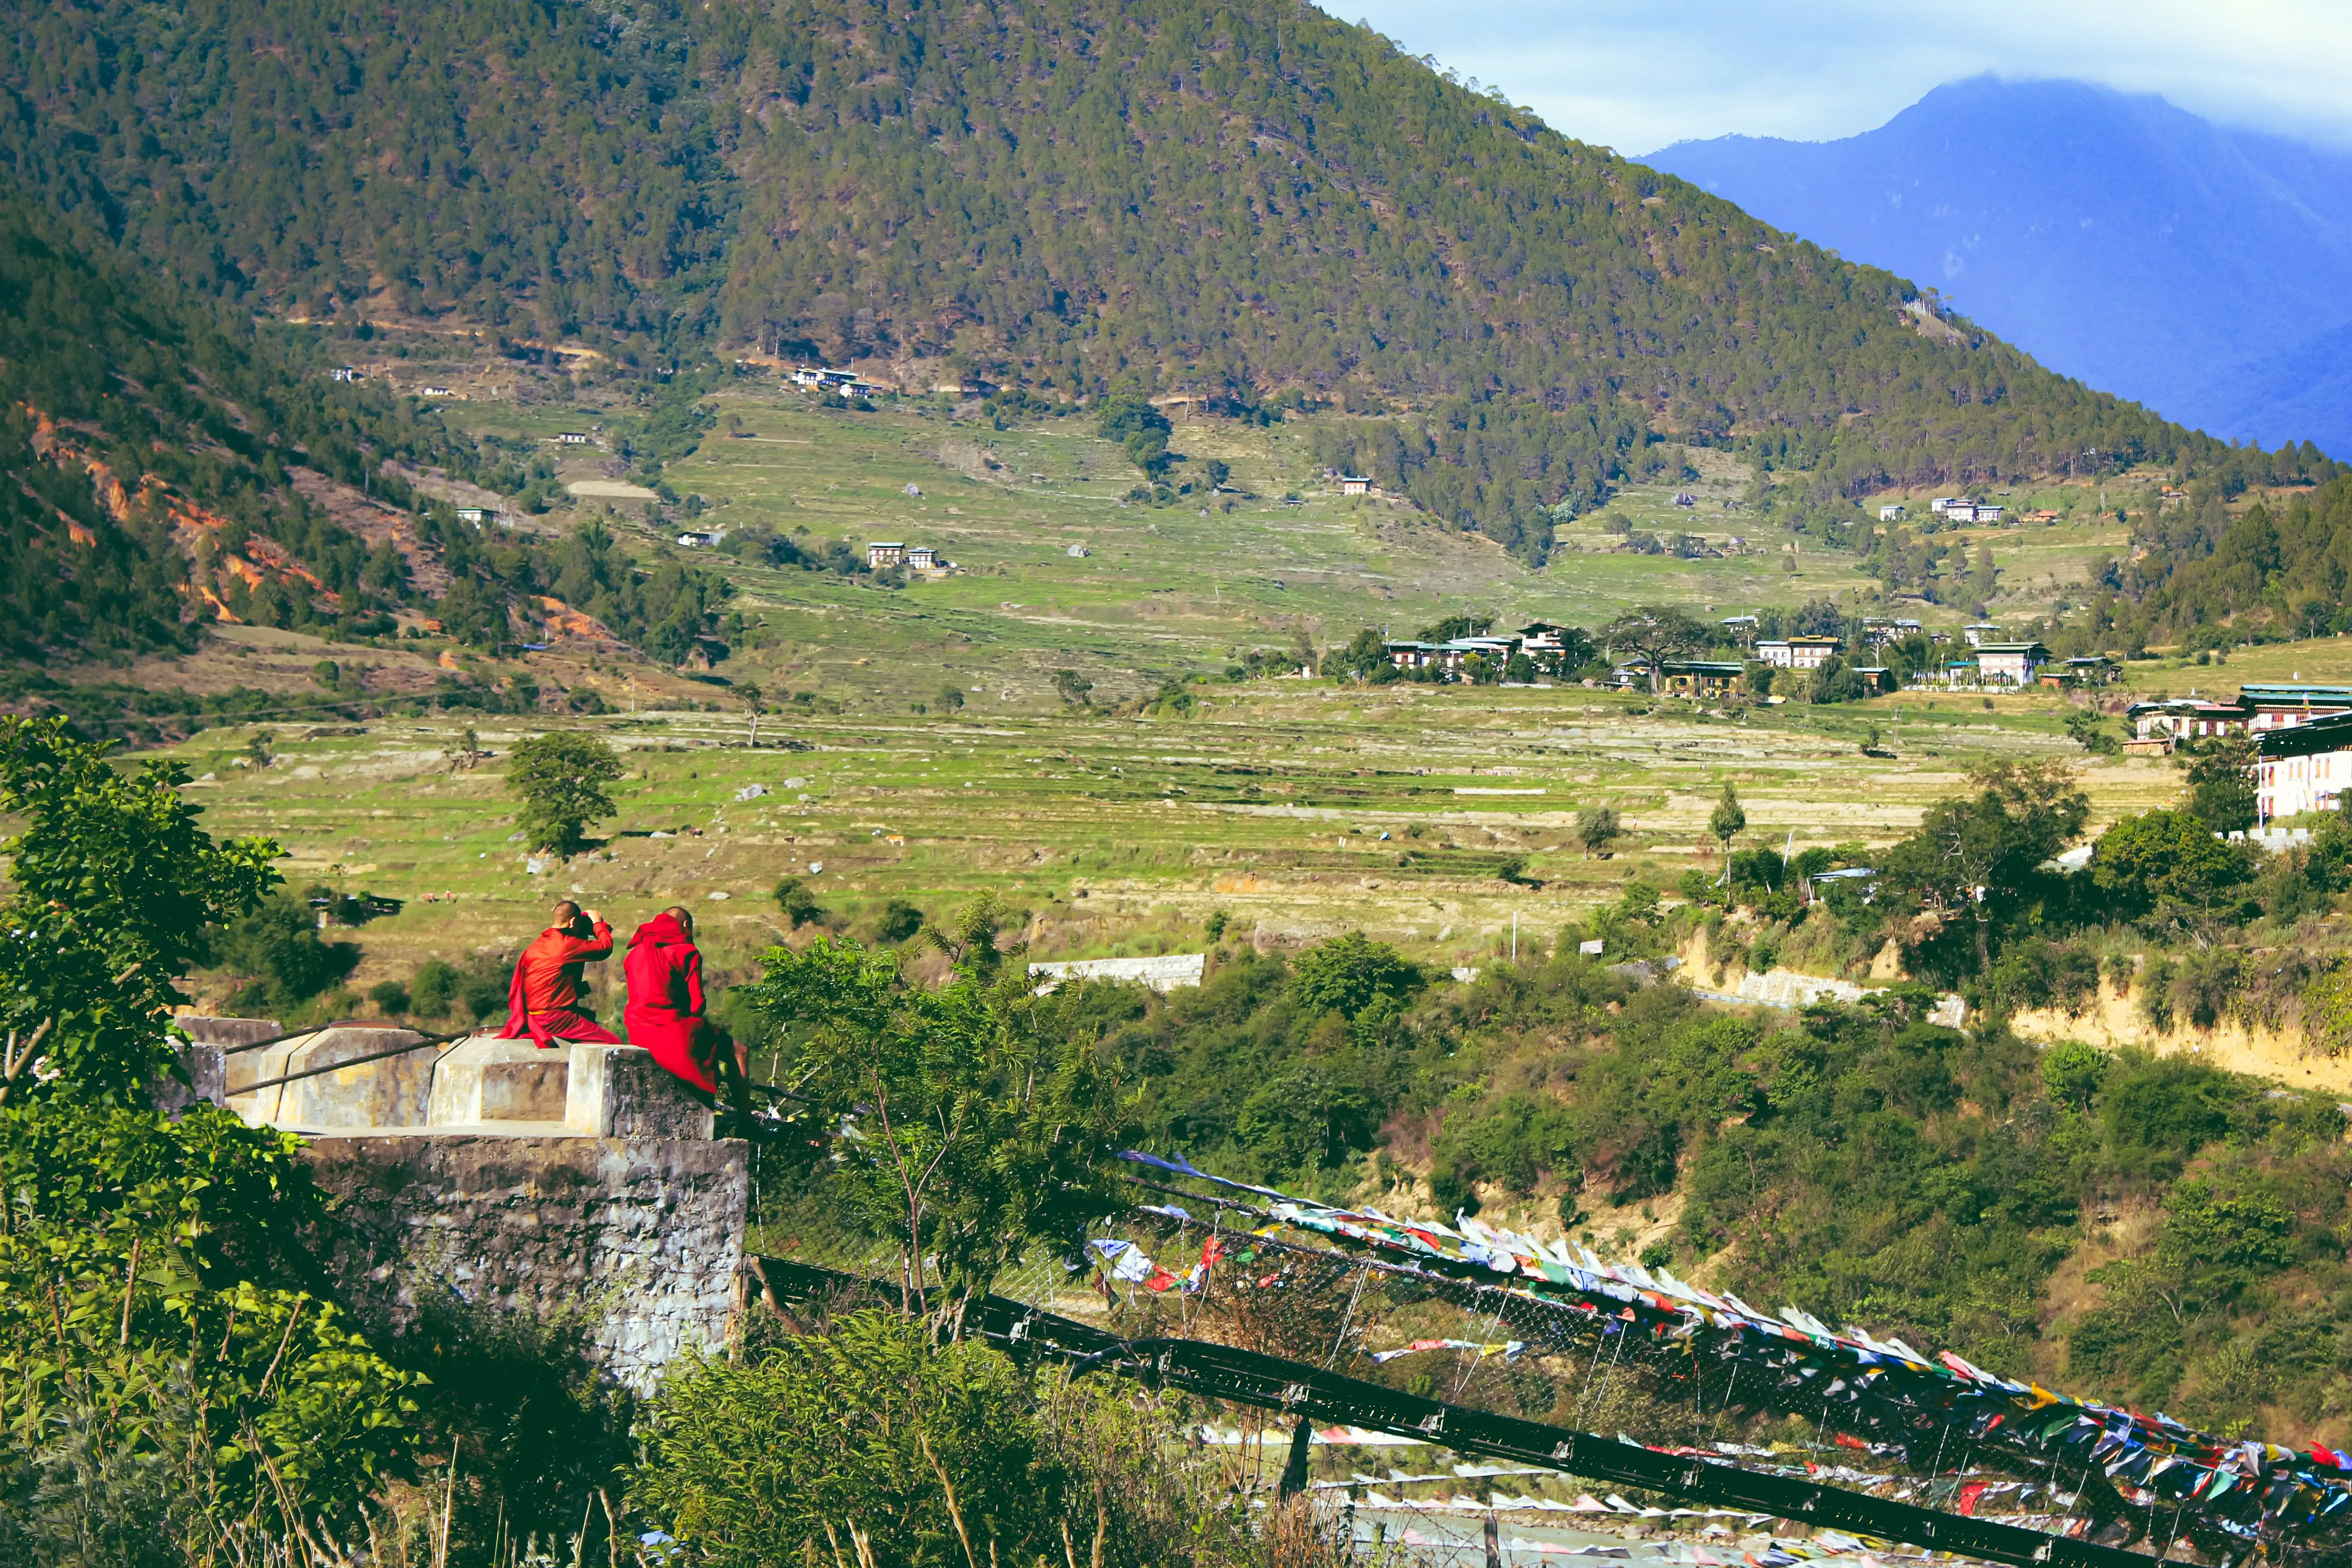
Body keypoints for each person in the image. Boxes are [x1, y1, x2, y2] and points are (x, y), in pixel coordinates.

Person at [623, 905, 749, 1118]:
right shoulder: (686, 952)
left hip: (637, 1031)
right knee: (740, 1052)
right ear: (685, 926)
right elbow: (697, 1006)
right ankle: (747, 1122)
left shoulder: (635, 952)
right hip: (671, 1030)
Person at [498, 900, 619, 1048]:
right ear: (573, 922)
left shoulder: (538, 944)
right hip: (555, 1018)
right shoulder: (566, 945)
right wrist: (597, 923)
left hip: (536, 1015)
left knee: (589, 1018)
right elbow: (605, 947)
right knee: (613, 1045)